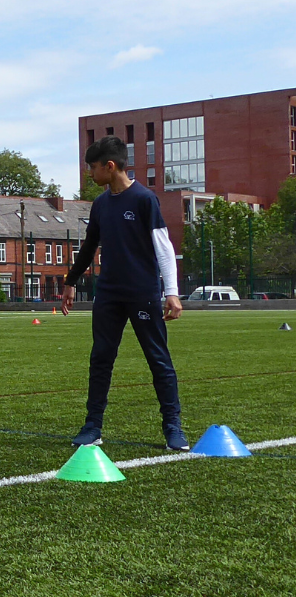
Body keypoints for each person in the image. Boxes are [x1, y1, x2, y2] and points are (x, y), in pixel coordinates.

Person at [61, 134, 189, 451]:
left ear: (110, 166)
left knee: (158, 359)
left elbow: (164, 248)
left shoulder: (145, 199)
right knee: (100, 359)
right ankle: (92, 426)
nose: (90, 174)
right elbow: (89, 246)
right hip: (108, 294)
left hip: (142, 292)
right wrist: (71, 281)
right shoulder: (101, 204)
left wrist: (171, 293)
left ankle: (173, 428)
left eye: (93, 167)